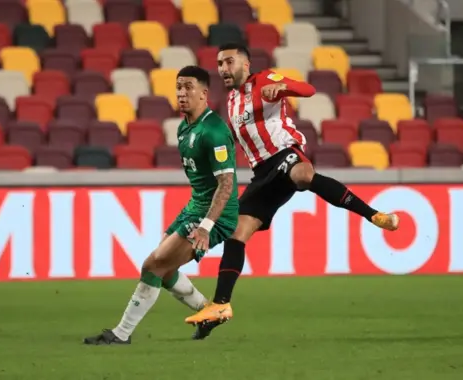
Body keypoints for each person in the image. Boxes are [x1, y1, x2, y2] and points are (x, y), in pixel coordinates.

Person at [185, 43, 400, 339]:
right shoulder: (232, 101)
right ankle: (220, 306)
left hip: (285, 154)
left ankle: (374, 215)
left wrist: (284, 87)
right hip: (262, 174)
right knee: (237, 233)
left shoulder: (264, 80)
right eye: (219, 63)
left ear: (246, 64)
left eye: (229, 62)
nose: (223, 68)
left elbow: (308, 90)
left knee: (301, 174)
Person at [83, 65, 241, 345]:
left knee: (152, 266)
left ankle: (121, 334)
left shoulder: (214, 131)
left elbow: (226, 185)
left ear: (204, 94)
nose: (182, 93)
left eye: (189, 87)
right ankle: (209, 311)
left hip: (215, 216)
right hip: (195, 207)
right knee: (165, 269)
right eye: (179, 87)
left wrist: (206, 227)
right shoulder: (184, 128)